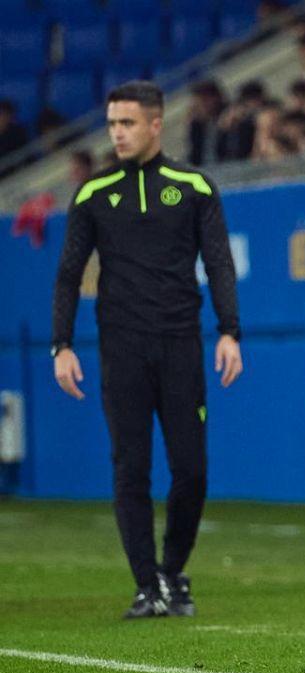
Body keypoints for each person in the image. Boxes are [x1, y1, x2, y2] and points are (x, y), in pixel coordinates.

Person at [50, 81, 243, 619]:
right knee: (130, 469)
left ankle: (171, 571)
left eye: (127, 123)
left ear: (156, 124)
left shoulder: (195, 186)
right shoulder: (92, 193)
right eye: (112, 123)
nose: (117, 133)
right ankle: (145, 585)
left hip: (181, 346)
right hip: (121, 350)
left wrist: (230, 331)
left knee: (192, 471)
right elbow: (68, 275)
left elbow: (219, 264)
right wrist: (61, 344)